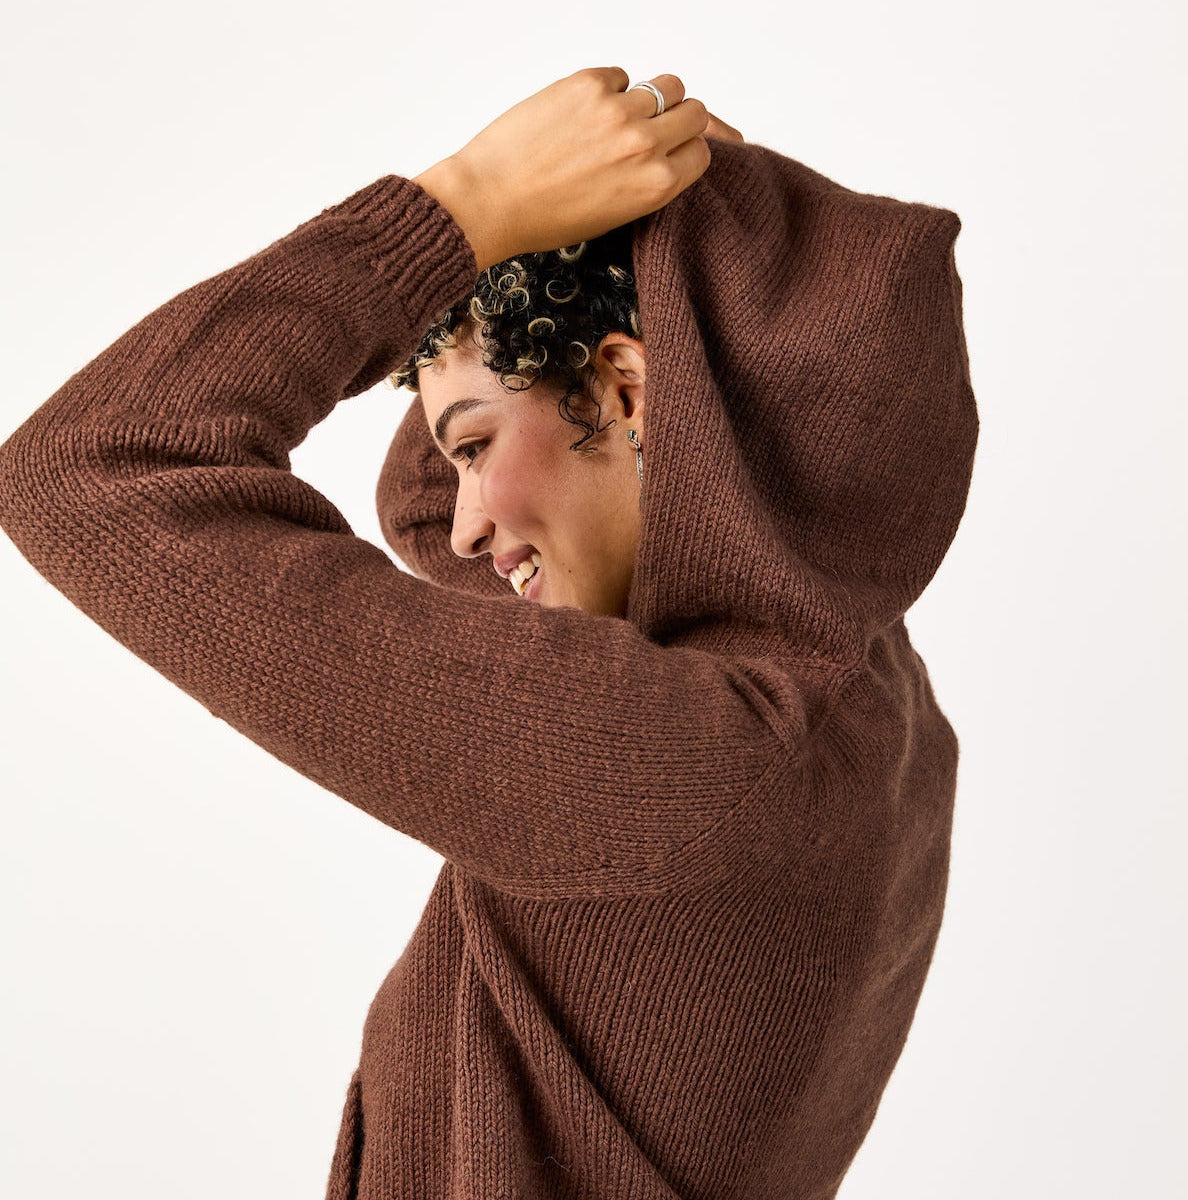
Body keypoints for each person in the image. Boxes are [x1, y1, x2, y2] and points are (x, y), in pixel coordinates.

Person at [0, 67, 978, 1200]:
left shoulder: (666, 761)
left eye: (472, 447)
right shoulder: (866, 705)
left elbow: (90, 468)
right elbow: (427, 511)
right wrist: (632, 269)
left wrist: (468, 207)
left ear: (626, 392)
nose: (464, 523)